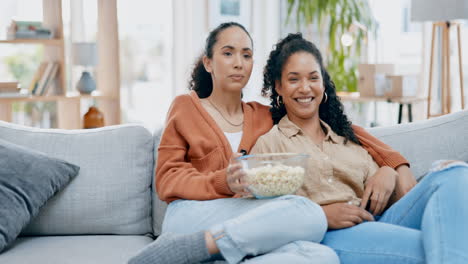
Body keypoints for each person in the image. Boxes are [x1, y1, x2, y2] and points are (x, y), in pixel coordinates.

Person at [129, 22, 410, 264]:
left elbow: (338, 126)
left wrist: (390, 164)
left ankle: (228, 253)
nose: (239, 62)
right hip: (190, 217)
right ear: (208, 62)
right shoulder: (186, 107)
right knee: (309, 213)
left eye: (247, 55)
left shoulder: (263, 115)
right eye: (228, 53)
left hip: (249, 218)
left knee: (324, 257)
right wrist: (221, 182)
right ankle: (192, 248)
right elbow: (167, 179)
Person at [252, 32, 468, 264]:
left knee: (453, 174)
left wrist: (388, 173)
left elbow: (392, 198)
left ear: (323, 84)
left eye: (313, 78)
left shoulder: (348, 139)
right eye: (294, 79)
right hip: (325, 236)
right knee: (430, 243)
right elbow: (259, 219)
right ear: (279, 87)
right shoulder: (270, 144)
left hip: (377, 221)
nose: (305, 88)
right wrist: (321, 216)